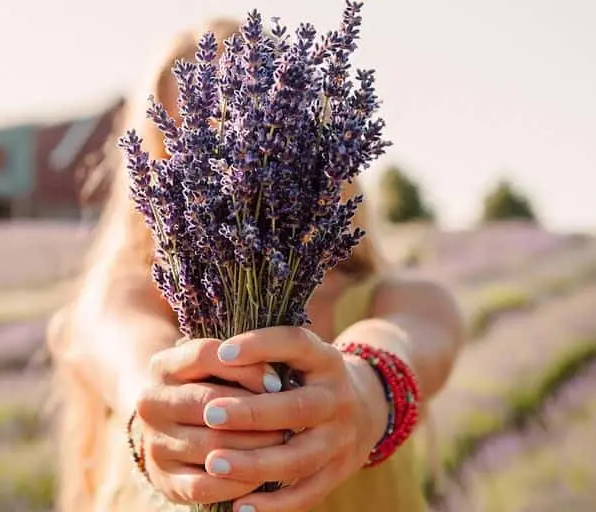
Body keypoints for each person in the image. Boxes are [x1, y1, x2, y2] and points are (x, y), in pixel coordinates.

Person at [47, 17, 465, 512]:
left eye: (250, 131)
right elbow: (124, 348)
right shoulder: (122, 299)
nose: (227, 164)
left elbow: (413, 336)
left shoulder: (401, 299)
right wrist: (156, 407)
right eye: (194, 141)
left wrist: (367, 391)